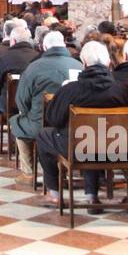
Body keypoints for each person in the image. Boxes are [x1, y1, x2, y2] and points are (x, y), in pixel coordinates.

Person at [35, 40, 128, 210]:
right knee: (93, 139)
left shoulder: (71, 90)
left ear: (84, 63)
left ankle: (55, 194)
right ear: (109, 63)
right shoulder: (122, 90)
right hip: (117, 149)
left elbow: (53, 119)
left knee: (44, 136)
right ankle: (91, 196)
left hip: (77, 148)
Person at [10, 30, 82, 180]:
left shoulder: (34, 67)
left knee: (16, 123)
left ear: (43, 47)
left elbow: (21, 100)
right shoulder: (79, 65)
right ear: (64, 44)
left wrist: (26, 113)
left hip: (40, 123)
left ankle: (28, 172)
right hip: (74, 125)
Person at [0, 27, 39, 155]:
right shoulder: (37, 56)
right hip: (32, 104)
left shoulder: (5, 57)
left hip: (8, 102)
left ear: (13, 41)